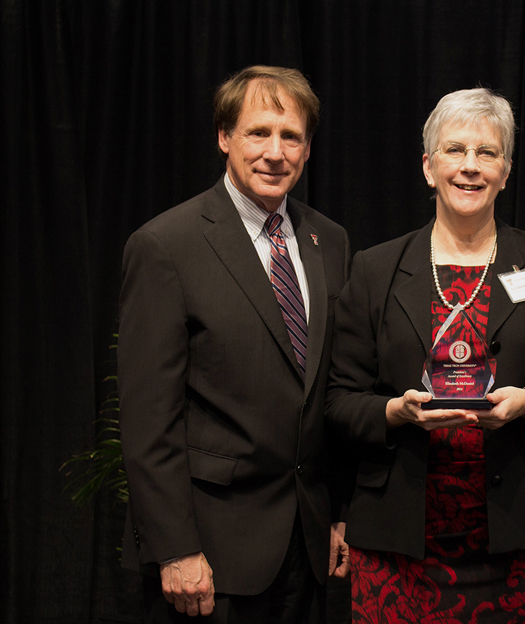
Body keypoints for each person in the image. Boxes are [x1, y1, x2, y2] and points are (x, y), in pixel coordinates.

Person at [326, 87, 525, 623]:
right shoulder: (375, 269)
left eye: (487, 153)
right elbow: (337, 400)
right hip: (400, 541)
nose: (470, 167)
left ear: (506, 169)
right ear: (429, 167)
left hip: (523, 536)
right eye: (454, 151)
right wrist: (394, 412)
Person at [119, 65, 351, 623]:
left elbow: (330, 391)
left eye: (290, 136)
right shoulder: (165, 246)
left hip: (307, 549)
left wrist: (338, 515)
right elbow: (149, 420)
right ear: (224, 137)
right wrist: (175, 549)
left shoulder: (331, 241)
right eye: (258, 133)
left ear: (308, 148)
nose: (275, 152)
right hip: (209, 559)